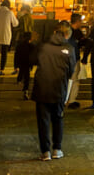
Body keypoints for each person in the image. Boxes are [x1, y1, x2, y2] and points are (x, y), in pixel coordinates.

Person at [32, 20, 77, 161]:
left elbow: (33, 59)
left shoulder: (43, 46)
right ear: (67, 34)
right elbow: (71, 70)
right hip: (59, 88)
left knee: (43, 121)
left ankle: (45, 152)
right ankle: (57, 148)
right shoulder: (69, 49)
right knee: (58, 118)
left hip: (42, 88)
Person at [0, 0, 20, 73]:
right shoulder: (9, 12)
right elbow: (16, 23)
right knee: (4, 53)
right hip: (5, 35)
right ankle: (2, 70)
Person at [65, 13, 86, 109]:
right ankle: (71, 99)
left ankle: (66, 99)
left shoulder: (66, 31)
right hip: (73, 58)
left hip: (66, 58)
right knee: (74, 79)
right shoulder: (76, 33)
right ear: (77, 21)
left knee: (68, 79)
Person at [14, 31, 36, 99]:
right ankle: (25, 90)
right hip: (27, 63)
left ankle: (19, 80)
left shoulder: (19, 46)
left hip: (21, 63)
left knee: (22, 73)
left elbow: (16, 56)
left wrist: (16, 65)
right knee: (27, 77)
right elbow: (33, 56)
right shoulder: (32, 46)